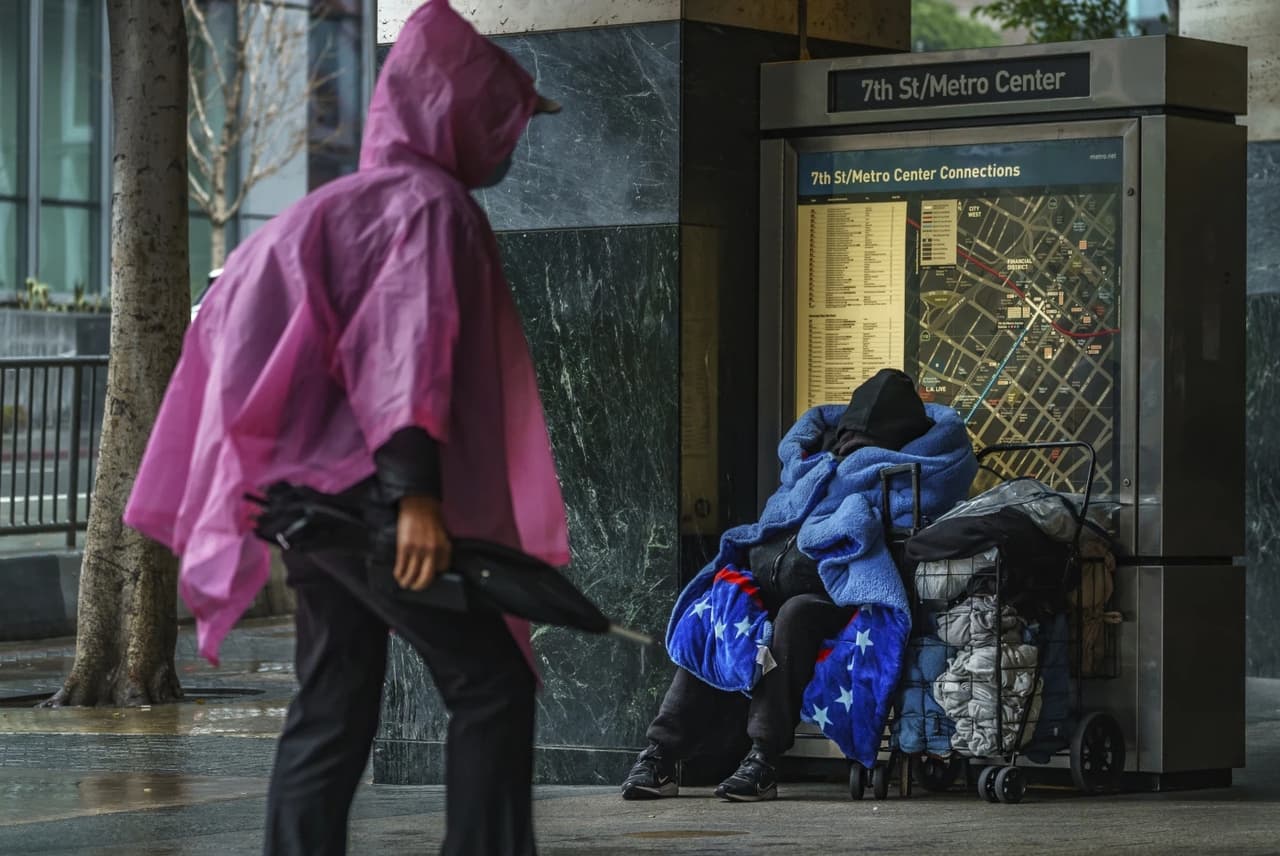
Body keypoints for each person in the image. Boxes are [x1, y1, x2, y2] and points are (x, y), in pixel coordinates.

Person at [123, 3, 567, 854]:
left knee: (333, 696)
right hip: (370, 500)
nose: (509, 144)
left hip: (301, 503)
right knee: (491, 681)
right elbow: (402, 353)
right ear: (456, 115)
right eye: (501, 120)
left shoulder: (338, 206)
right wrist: (415, 498)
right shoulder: (428, 205)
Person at [621, 369, 977, 802]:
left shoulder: (916, 468)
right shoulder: (816, 457)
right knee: (720, 604)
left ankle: (764, 758)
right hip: (777, 574)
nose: (852, 448)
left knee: (796, 615)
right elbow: (781, 512)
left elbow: (893, 532)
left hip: (838, 592)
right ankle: (660, 754)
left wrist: (850, 522)